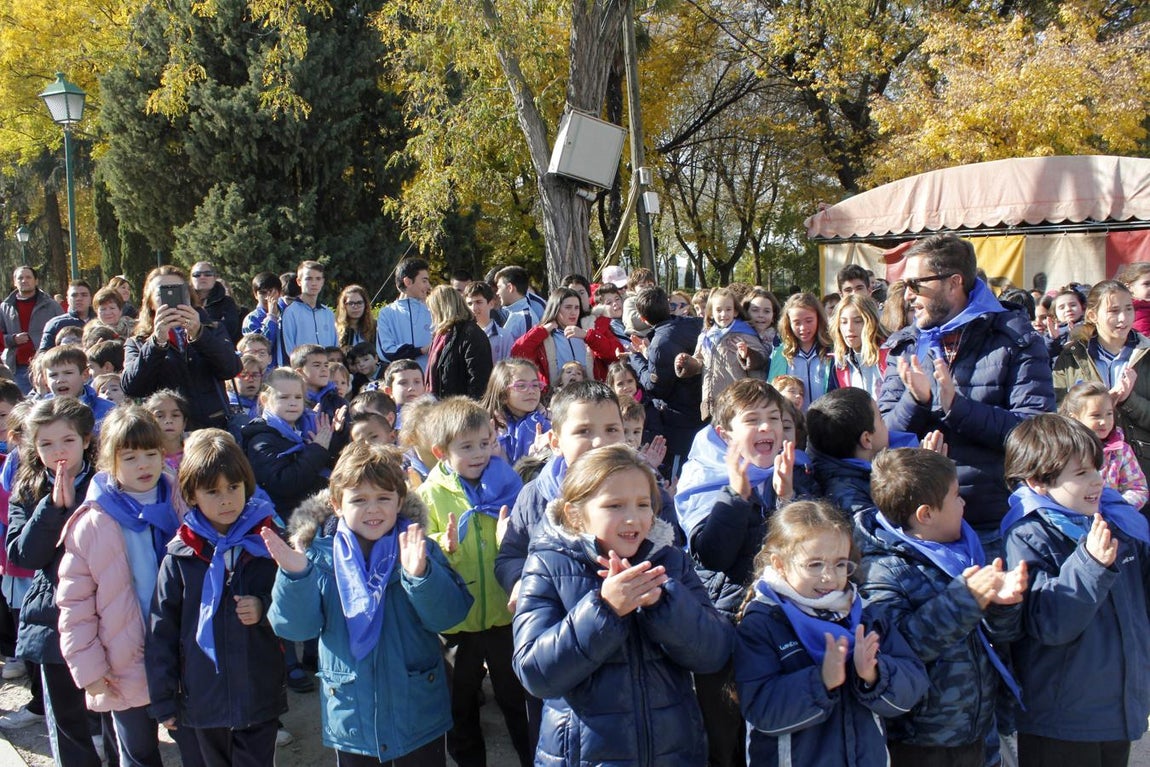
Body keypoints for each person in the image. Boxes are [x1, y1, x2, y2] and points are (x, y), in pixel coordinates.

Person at [512, 444, 733, 767]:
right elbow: (535, 672)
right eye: (614, 505)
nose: (633, 518)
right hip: (582, 755)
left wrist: (664, 603)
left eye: (643, 504)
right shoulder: (549, 564)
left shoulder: (670, 562)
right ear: (576, 515)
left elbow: (714, 652)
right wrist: (604, 609)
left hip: (674, 752)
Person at [264, 441, 472, 765]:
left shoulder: (418, 549)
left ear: (400, 501)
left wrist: (421, 576)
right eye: (359, 499)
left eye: (383, 498)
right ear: (336, 504)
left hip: (417, 712)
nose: (372, 509)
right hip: (352, 717)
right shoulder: (317, 557)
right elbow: (295, 627)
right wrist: (296, 578)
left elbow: (450, 616)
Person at [879, 233, 1054, 551]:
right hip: (919, 527)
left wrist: (957, 408)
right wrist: (916, 401)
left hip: (995, 525)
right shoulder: (905, 344)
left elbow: (1036, 432)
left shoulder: (1016, 339)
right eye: (905, 285)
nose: (908, 296)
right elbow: (881, 439)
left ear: (953, 282)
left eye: (916, 284)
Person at [860, 448, 1027, 767]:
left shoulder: (964, 548)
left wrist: (1001, 606)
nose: (964, 503)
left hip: (976, 727)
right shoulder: (882, 572)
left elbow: (994, 639)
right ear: (925, 515)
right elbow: (899, 650)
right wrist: (964, 600)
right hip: (923, 741)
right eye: (955, 496)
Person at [1001, 414, 1150, 766]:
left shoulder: (1118, 522)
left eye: (1096, 468)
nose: (1098, 481)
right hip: (1061, 721)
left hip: (1118, 707)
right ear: (1038, 481)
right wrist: (1091, 563)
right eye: (1081, 474)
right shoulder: (1027, 536)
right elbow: (1051, 623)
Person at [734, 500, 927, 767]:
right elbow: (762, 710)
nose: (829, 577)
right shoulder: (764, 621)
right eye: (814, 565)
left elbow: (914, 683)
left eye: (839, 564)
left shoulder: (866, 614)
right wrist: (820, 681)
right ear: (779, 564)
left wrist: (874, 674)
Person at [673, 379, 798, 766]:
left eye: (774, 418)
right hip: (726, 628)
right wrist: (736, 496)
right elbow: (713, 554)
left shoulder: (792, 469)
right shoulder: (705, 477)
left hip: (777, 628)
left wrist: (787, 497)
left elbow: (797, 554)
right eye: (753, 420)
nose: (766, 428)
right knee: (724, 739)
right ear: (724, 433)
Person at [146, 429, 285, 767]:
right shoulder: (180, 557)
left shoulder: (269, 544)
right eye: (212, 491)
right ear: (192, 495)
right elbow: (160, 632)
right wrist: (164, 700)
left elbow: (294, 600)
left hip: (258, 693)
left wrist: (265, 606)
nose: (226, 500)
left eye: (233, 488)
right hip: (203, 697)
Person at [57, 406, 181, 767]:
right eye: (129, 457)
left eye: (150, 454)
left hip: (182, 652)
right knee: (139, 752)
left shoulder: (181, 501)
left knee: (197, 742)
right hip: (122, 661)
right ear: (110, 461)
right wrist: (91, 672)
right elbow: (74, 606)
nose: (143, 465)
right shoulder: (93, 523)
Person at [414, 399, 531, 767]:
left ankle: (532, 757)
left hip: (503, 613)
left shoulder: (508, 483)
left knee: (517, 697)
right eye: (466, 447)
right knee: (460, 704)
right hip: (457, 624)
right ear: (440, 452)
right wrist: (441, 546)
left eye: (485, 442)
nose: (479, 453)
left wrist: (510, 538)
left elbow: (524, 538)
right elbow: (417, 549)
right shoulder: (429, 495)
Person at [4, 398, 100, 765]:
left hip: (105, 605)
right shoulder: (28, 487)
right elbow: (22, 555)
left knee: (116, 709)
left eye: (67, 441)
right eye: (46, 444)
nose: (58, 452)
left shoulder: (107, 481)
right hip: (52, 610)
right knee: (65, 714)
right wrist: (51, 508)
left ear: (86, 440)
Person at [1052, 280, 1150, 486]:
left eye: (1128, 309)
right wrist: (1096, 407)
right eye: (1113, 311)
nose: (1123, 318)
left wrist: (1128, 400)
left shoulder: (1146, 354)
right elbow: (1058, 413)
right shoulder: (1072, 356)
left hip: (1142, 472)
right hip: (1087, 470)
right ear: (1092, 315)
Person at [122, 266, 242, 431]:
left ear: (189, 296)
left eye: (178, 291)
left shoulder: (213, 329)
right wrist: (157, 343)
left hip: (212, 429)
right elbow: (132, 387)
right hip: (164, 433)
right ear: (150, 302)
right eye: (162, 292)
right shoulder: (138, 342)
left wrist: (199, 334)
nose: (170, 298)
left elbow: (231, 368)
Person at [629, 287, 705, 466]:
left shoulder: (660, 344)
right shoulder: (694, 324)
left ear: (643, 319)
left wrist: (636, 358)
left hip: (681, 420)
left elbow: (656, 387)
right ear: (668, 306)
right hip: (702, 410)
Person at [675, 286, 768, 420]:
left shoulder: (744, 332)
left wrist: (747, 354)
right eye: (719, 310)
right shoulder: (706, 336)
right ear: (711, 313)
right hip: (713, 401)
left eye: (728, 309)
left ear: (735, 312)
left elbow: (762, 357)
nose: (723, 314)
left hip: (739, 400)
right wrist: (687, 362)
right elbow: (699, 362)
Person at [1060, 380, 1149, 508]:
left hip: (1112, 520)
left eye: (1109, 414)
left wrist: (1116, 509)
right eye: (1096, 416)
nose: (1104, 421)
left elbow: (1137, 488)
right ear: (1074, 417)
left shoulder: (1121, 450)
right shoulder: (1062, 450)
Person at [806, 387, 890, 518]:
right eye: (881, 419)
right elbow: (878, 536)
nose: (885, 422)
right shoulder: (847, 499)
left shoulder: (826, 452)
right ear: (866, 439)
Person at [510, 288, 589, 391]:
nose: (573, 312)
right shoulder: (544, 336)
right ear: (555, 309)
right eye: (568, 307)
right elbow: (517, 352)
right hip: (556, 396)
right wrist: (542, 330)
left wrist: (588, 335)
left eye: (577, 307)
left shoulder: (587, 329)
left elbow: (610, 354)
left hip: (588, 394)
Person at [767, 292, 837, 410]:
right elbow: (772, 392)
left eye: (809, 321)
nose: (803, 328)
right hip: (793, 423)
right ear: (788, 323)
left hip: (827, 422)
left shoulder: (832, 351)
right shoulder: (781, 354)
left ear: (818, 318)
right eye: (797, 322)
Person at [1, 266, 63, 393]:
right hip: (17, 367)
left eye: (28, 277)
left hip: (47, 365)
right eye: (20, 278)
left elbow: (64, 331)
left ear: (36, 281)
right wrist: (12, 339)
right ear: (14, 282)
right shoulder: (5, 307)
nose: (24, 280)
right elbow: (1, 336)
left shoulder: (51, 305)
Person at [425, 285, 492, 399]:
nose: (431, 313)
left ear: (442, 309)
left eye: (433, 309)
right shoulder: (441, 335)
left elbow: (479, 379)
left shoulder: (471, 334)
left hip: (461, 409)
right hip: (439, 408)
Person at [481, 359, 550, 466]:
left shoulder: (546, 421)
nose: (531, 391)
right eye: (521, 386)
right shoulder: (488, 428)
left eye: (535, 385)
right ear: (503, 395)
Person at [377, 258, 433, 370]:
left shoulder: (434, 310)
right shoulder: (387, 313)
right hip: (402, 380)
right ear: (408, 282)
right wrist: (421, 350)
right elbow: (386, 352)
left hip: (433, 382)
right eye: (424, 281)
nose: (429, 286)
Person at [832, 294, 888, 398]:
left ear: (871, 321)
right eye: (843, 322)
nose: (849, 328)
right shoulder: (839, 363)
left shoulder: (889, 355)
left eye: (857, 321)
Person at [279, 260, 338, 360]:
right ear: (299, 282)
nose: (314, 283)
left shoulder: (328, 313)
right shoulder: (290, 312)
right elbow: (289, 348)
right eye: (309, 279)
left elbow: (335, 346)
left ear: (323, 282)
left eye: (318, 279)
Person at [463, 281, 513, 365]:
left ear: (491, 304)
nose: (474, 308)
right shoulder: (463, 335)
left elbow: (508, 370)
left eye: (479, 302)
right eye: (470, 303)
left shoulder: (504, 337)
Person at [190, 262, 241, 343]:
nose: (202, 277)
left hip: (218, 347)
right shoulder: (185, 301)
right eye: (197, 274)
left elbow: (230, 328)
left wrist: (201, 323)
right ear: (191, 279)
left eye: (207, 274)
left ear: (215, 277)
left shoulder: (227, 302)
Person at [39, 280, 95, 353]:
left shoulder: (100, 321)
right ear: (67, 299)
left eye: (84, 295)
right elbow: (43, 354)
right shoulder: (56, 324)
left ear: (91, 298)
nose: (79, 298)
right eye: (74, 295)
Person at [144, 390, 190, 472]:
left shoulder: (196, 450)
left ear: (184, 423)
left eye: (175, 415)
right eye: (160, 416)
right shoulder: (146, 458)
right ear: (149, 421)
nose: (168, 420)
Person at [241, 273, 283, 359]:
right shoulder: (251, 319)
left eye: (271, 292)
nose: (267, 297)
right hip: (264, 369)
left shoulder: (287, 314)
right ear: (256, 295)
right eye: (262, 293)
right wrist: (271, 316)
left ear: (279, 293)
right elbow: (262, 346)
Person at [495, 266, 543, 341]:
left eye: (499, 287)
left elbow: (527, 350)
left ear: (510, 288)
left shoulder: (526, 318)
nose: (497, 293)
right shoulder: (513, 313)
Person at [382, 359, 427, 430]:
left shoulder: (434, 415)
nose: (411, 388)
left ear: (425, 387)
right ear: (389, 391)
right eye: (403, 383)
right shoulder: (386, 421)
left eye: (417, 382)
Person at [335, 284, 377, 351]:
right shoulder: (335, 329)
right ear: (344, 306)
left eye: (359, 303)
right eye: (351, 303)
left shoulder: (375, 327)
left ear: (365, 305)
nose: (355, 307)